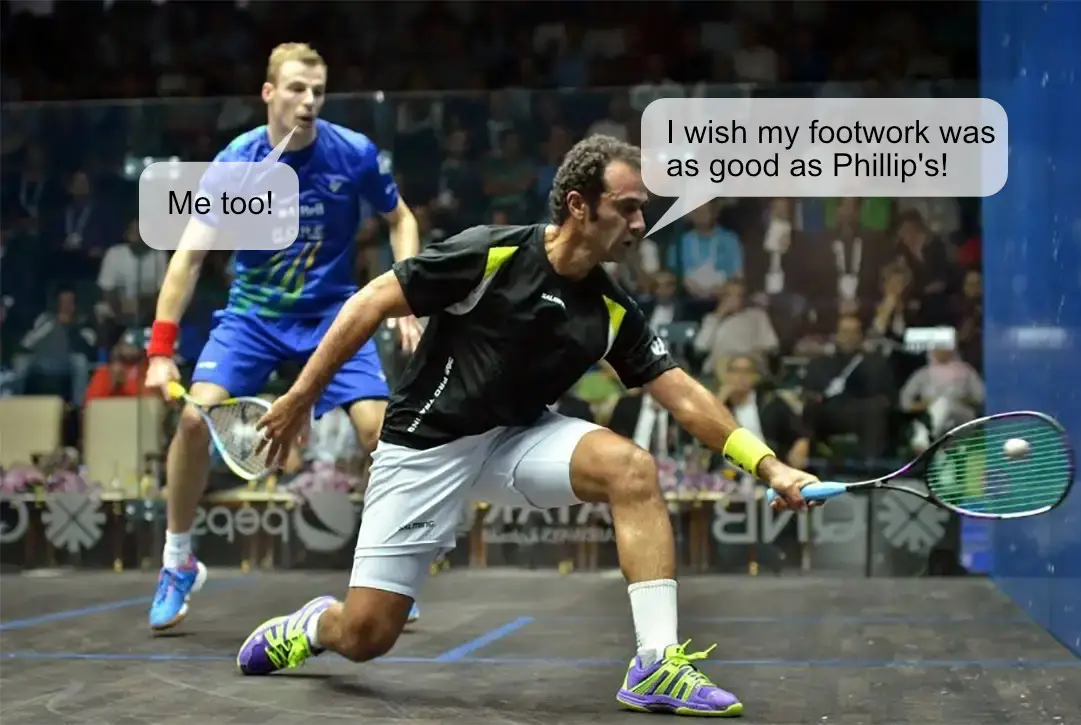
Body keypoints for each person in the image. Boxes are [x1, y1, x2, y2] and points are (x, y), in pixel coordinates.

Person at [242, 135, 818, 717]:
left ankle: (656, 664)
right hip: (426, 446)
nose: (641, 223)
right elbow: (369, 302)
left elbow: (684, 396)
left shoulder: (612, 309)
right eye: (627, 207)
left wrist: (768, 465)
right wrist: (300, 396)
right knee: (367, 637)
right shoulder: (490, 256)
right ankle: (317, 626)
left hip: (517, 438)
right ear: (578, 205)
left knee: (631, 468)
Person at [143, 43, 424, 631]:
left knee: (379, 432)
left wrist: (407, 292)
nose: (309, 101)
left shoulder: (353, 155)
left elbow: (401, 218)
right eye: (297, 89)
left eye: (318, 91)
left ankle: (387, 576)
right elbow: (189, 258)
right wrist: (161, 351)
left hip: (332, 317)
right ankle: (177, 561)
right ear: (269, 93)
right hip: (253, 318)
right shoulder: (235, 164)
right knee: (195, 422)